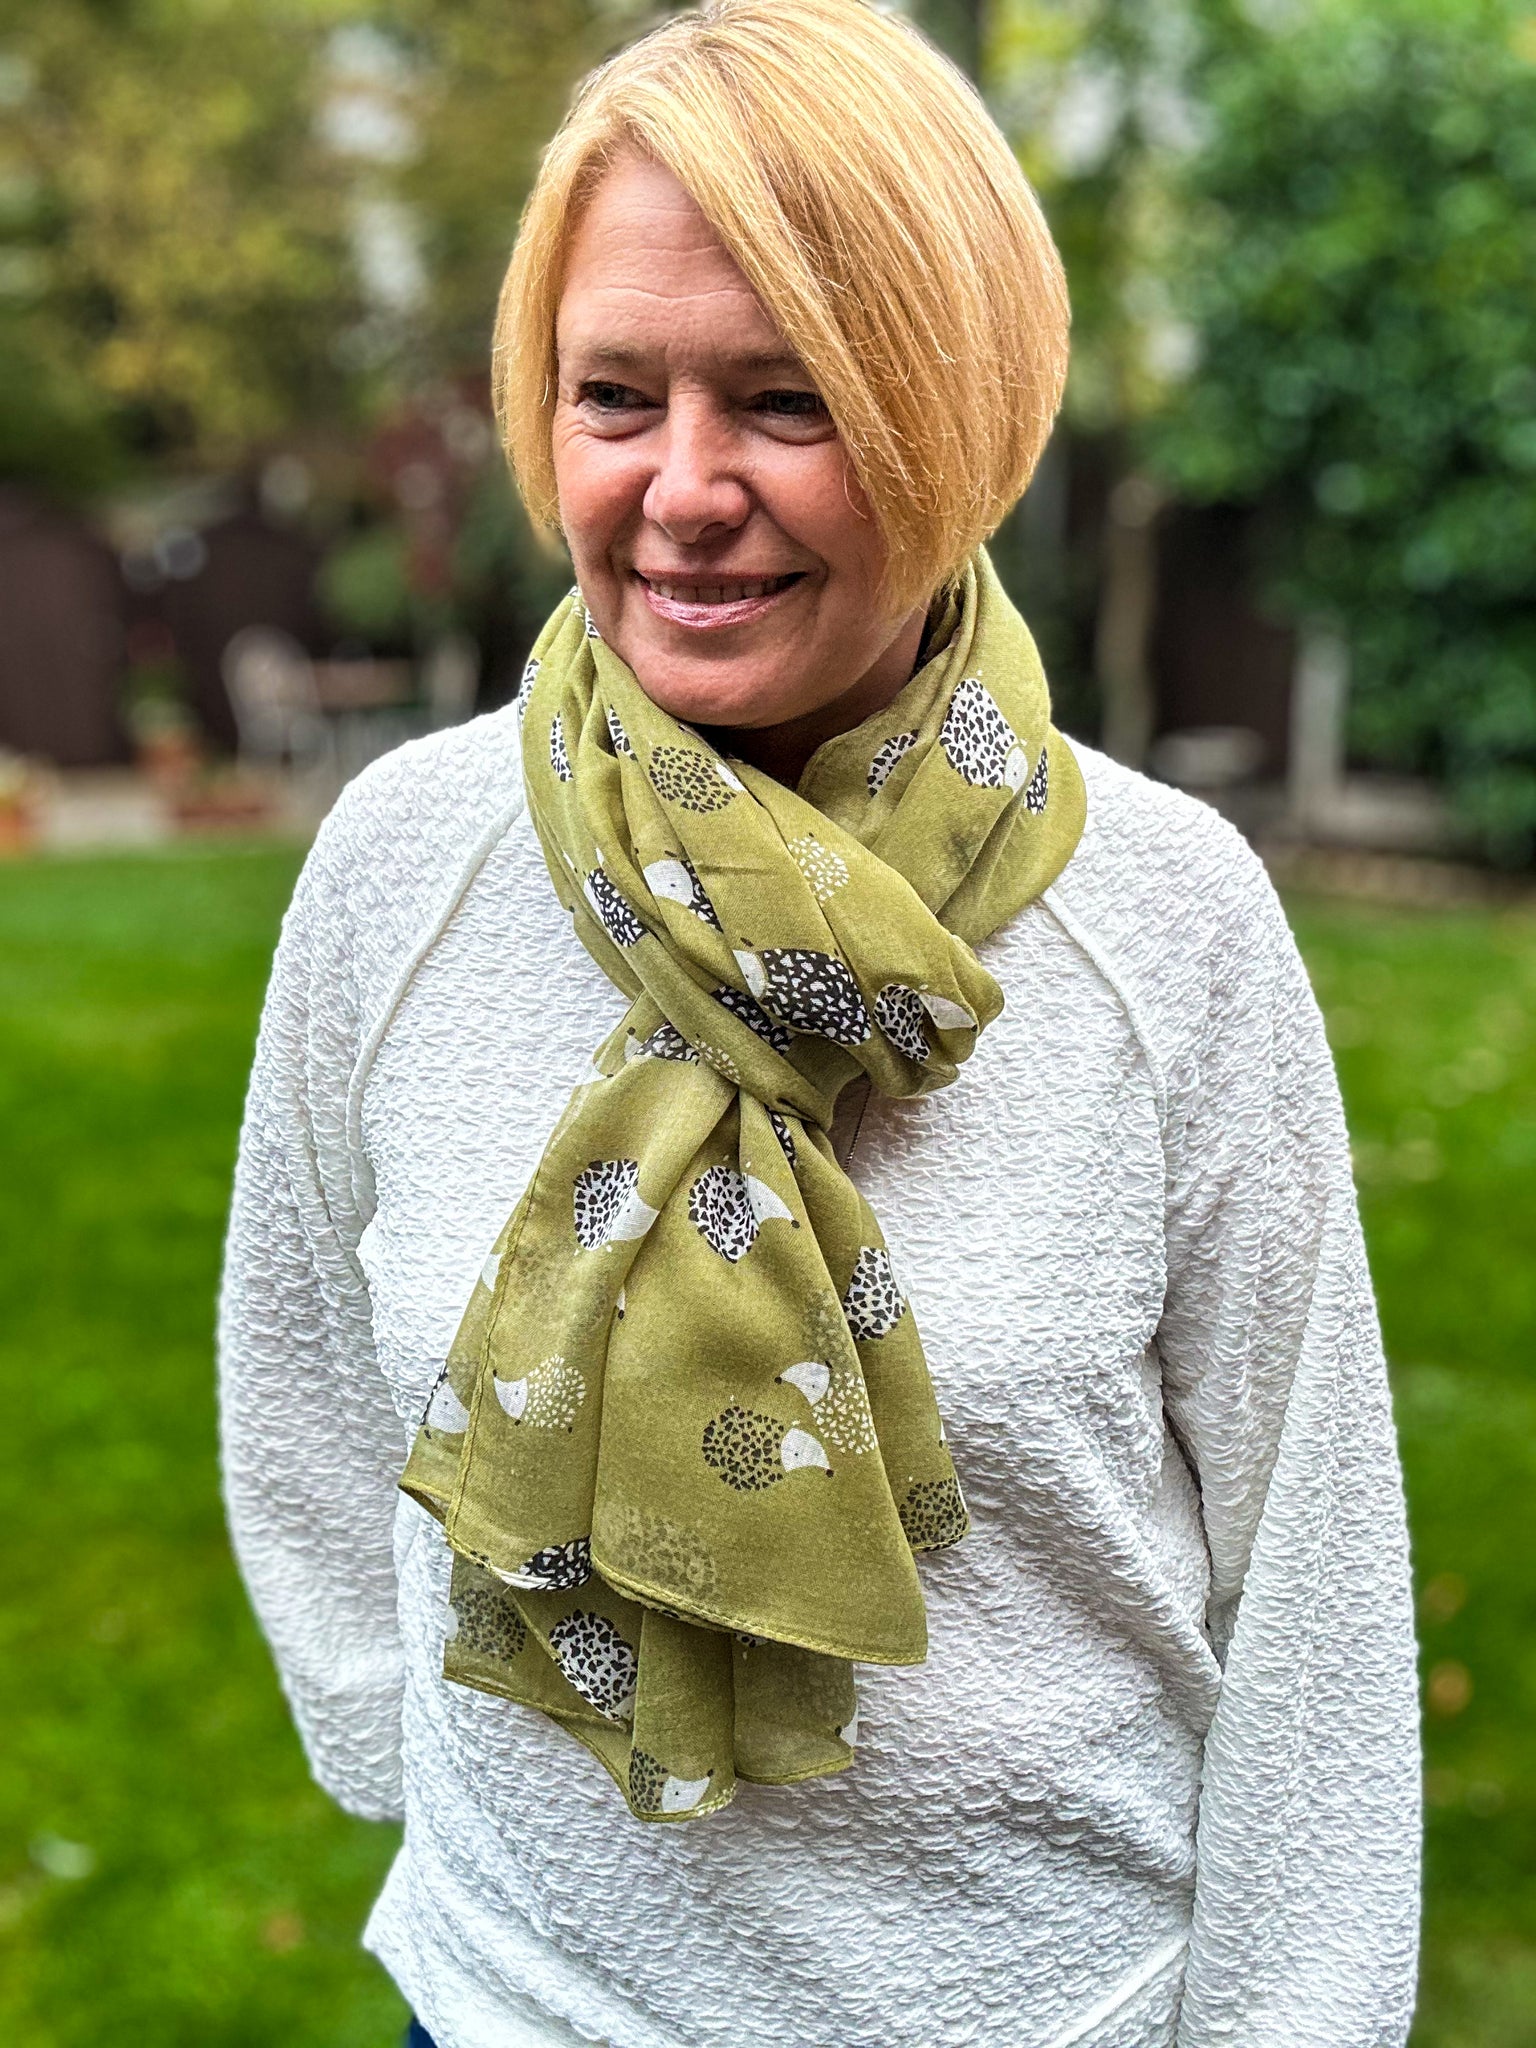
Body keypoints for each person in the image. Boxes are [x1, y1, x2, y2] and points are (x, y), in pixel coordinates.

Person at [217, 3, 1421, 2045]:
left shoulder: (1168, 919)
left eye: (787, 402)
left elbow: (1311, 1569)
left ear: (953, 414)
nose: (682, 490)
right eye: (615, 394)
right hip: (511, 2006)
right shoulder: (404, 864)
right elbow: (302, 1365)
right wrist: (399, 1756)